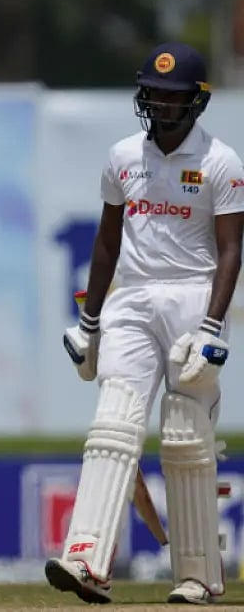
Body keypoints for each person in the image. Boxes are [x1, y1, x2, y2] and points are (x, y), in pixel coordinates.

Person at [49, 42, 244, 605]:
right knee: (114, 424)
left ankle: (198, 575)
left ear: (196, 103)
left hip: (193, 299)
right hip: (130, 301)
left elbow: (231, 251)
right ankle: (86, 559)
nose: (160, 103)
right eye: (153, 93)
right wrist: (89, 322)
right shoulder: (122, 156)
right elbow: (108, 240)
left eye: (173, 96)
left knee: (184, 437)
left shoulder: (221, 162)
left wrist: (211, 327)